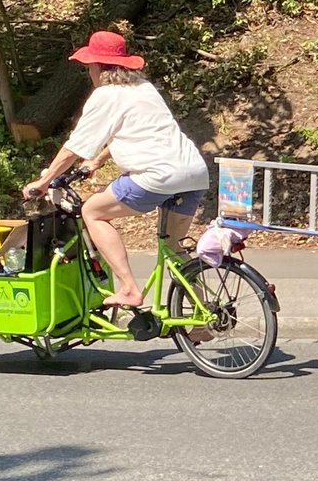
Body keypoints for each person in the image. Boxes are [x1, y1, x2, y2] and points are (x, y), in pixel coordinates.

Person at [22, 30, 210, 308]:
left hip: (156, 176)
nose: (89, 73)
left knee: (93, 212)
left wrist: (44, 180)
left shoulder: (105, 96)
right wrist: (98, 160)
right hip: (193, 173)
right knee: (174, 247)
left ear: (97, 67)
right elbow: (133, 131)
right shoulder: (144, 88)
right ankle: (204, 314)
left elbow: (74, 147)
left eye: (89, 68)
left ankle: (129, 288)